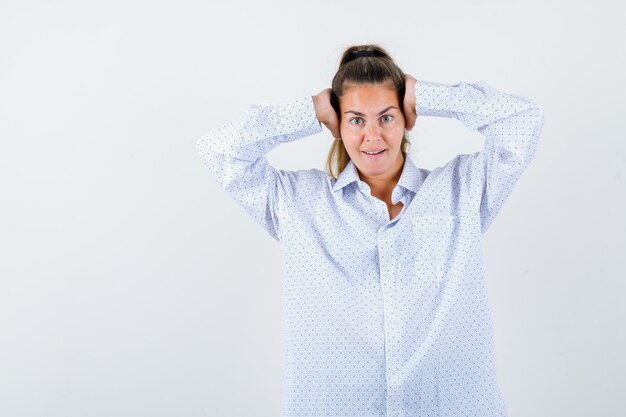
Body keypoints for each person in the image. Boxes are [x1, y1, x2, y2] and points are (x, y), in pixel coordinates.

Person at [196, 44, 544, 417]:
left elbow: (523, 120)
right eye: (357, 119)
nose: (373, 136)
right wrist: (309, 111)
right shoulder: (297, 203)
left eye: (386, 117)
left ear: (407, 118)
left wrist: (426, 95)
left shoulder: (461, 190)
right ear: (337, 125)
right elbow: (218, 151)